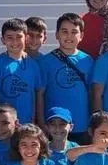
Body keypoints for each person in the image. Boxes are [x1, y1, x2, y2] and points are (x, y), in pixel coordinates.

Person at [38, 13, 94, 144]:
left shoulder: (88, 60)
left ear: (81, 36)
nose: (69, 36)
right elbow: (39, 95)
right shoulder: (45, 62)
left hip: (82, 125)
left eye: (74, 32)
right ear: (57, 34)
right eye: (64, 31)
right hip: (54, 126)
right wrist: (41, 122)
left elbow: (93, 93)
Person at [0, 18, 43, 126]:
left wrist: (35, 121)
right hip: (5, 126)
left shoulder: (33, 65)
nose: (15, 42)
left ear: (26, 38)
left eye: (19, 37)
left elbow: (35, 94)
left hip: (27, 125)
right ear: (3, 40)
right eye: (10, 38)